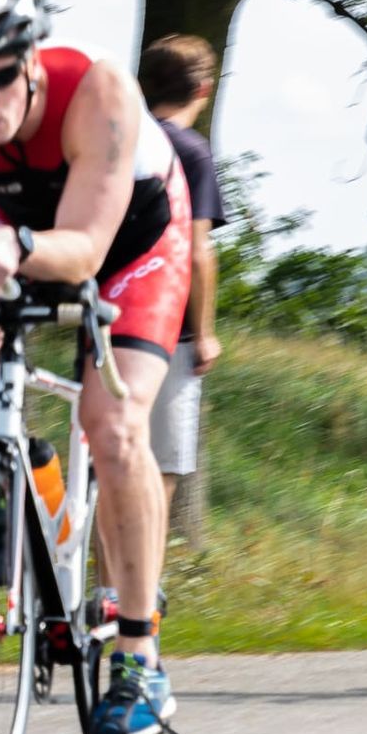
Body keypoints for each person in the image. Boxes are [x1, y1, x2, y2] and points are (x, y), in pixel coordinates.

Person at [0, 0, 191, 734]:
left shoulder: (99, 92)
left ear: (32, 62)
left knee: (115, 422)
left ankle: (139, 652)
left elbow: (86, 248)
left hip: (134, 239)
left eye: (0, 80)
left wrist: (15, 246)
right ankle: (27, 476)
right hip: (19, 224)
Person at [137, 34, 227, 518]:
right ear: (203, 89)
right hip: (168, 328)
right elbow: (197, 249)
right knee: (160, 469)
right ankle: (138, 591)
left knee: (115, 461)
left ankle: (106, 586)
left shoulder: (123, 143)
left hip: (110, 317)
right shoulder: (191, 152)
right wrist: (206, 333)